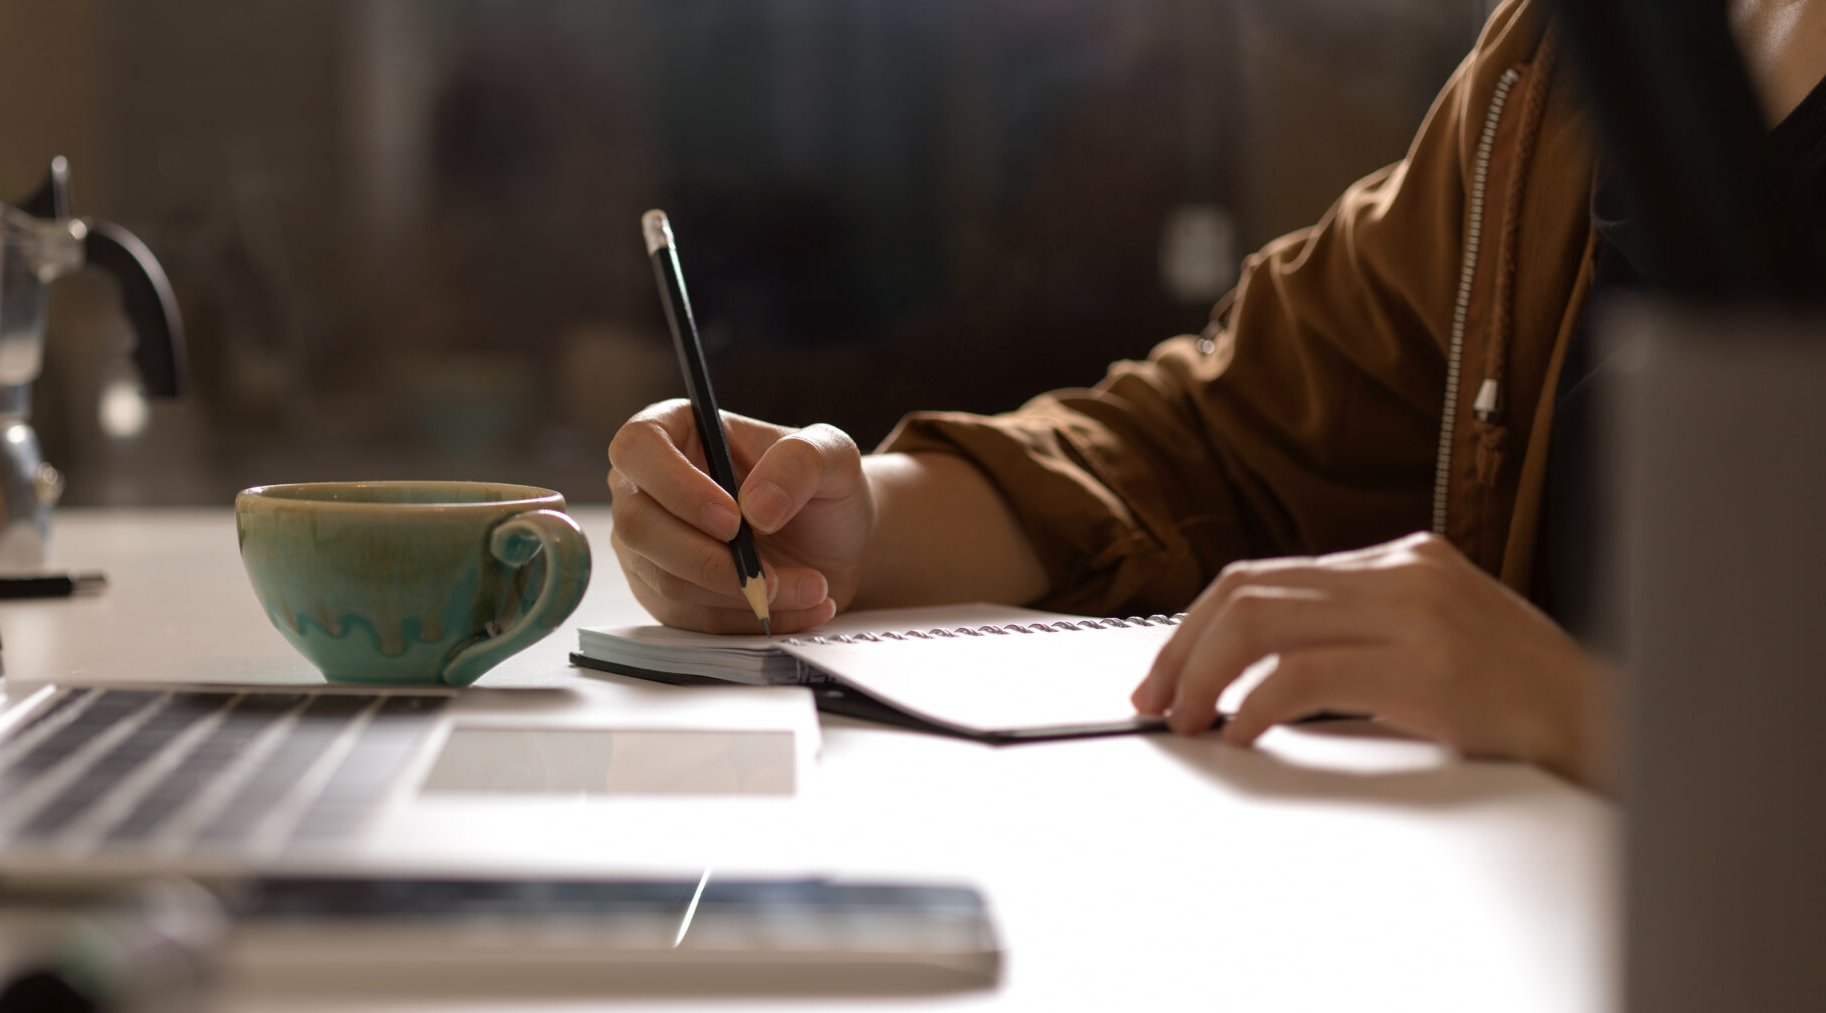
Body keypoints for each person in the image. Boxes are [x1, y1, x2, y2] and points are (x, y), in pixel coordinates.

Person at [605, 0, 1826, 791]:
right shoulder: (1563, 58)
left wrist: (1587, 713)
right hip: (1568, 954)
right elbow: (1220, 435)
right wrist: (854, 512)